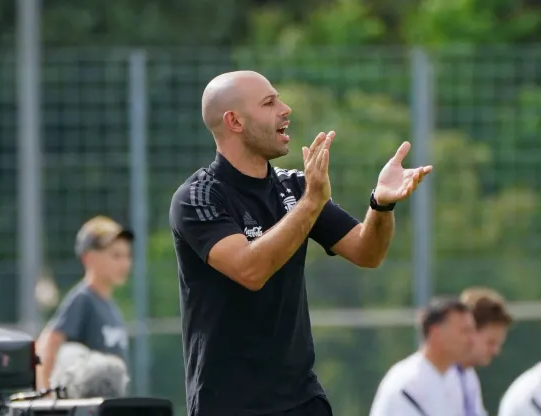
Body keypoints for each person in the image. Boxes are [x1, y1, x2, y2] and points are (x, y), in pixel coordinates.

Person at [169, 70, 433, 416]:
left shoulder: (294, 187)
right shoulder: (198, 197)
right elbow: (250, 270)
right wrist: (311, 203)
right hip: (228, 404)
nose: (285, 108)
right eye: (269, 103)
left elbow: (367, 252)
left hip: (302, 399)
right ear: (234, 121)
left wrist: (381, 204)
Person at [35, 216, 134, 391]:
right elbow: (48, 343)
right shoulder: (84, 299)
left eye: (127, 255)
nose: (125, 263)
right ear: (89, 258)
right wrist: (46, 395)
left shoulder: (109, 304)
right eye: (116, 255)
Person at [369, 299, 475, 416]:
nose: (472, 340)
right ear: (436, 332)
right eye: (465, 331)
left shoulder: (455, 379)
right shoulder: (408, 383)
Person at [451, 287, 514, 416]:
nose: (495, 351)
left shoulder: (468, 377)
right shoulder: (439, 376)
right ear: (470, 331)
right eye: (490, 342)